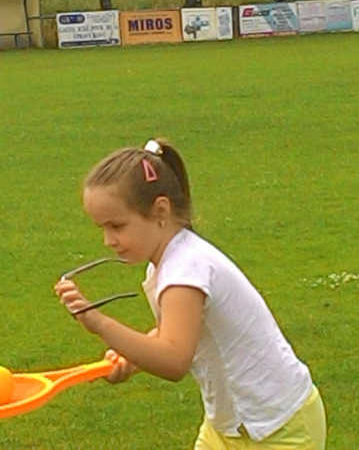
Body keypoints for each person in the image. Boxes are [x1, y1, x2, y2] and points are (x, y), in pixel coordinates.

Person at [54, 138, 326, 450]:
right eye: (102, 228)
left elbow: (173, 360)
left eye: (117, 225)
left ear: (160, 210)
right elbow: (175, 333)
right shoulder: (167, 264)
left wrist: (100, 324)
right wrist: (133, 357)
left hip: (281, 428)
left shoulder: (185, 270)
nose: (108, 240)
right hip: (229, 428)